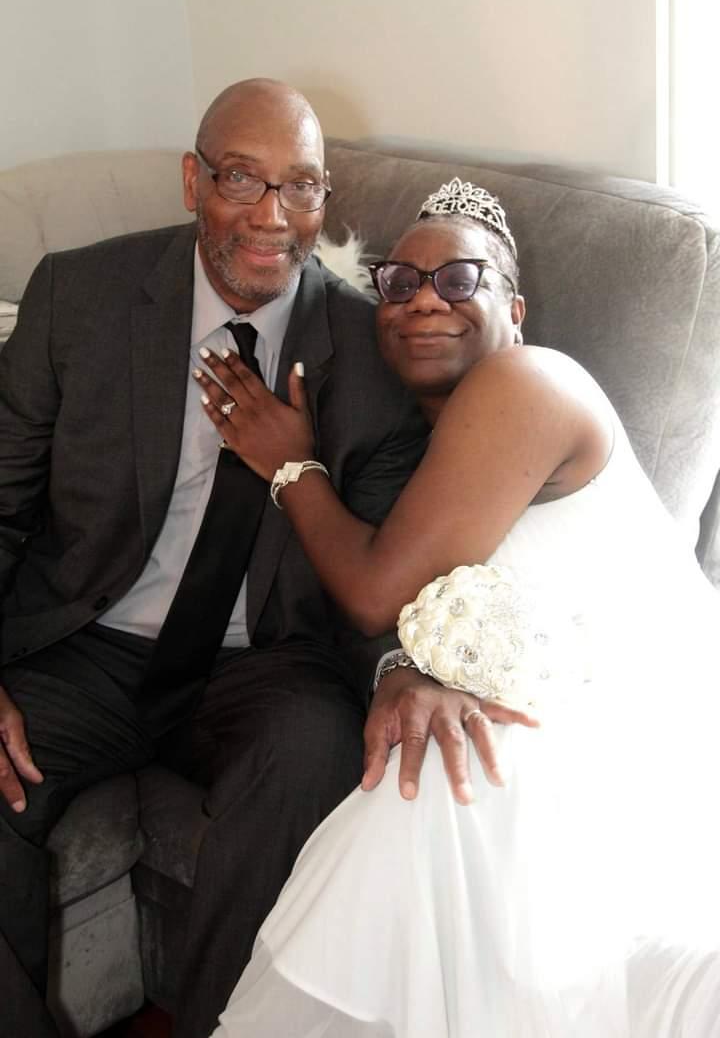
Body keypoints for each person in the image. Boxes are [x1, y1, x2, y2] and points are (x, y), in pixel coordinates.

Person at [194, 178, 720, 1037]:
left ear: (515, 308)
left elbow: (372, 594)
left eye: (459, 280)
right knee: (429, 768)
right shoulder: (417, 444)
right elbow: (413, 605)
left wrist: (292, 467)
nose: (422, 302)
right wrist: (410, 670)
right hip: (565, 715)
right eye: (398, 282)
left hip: (640, 728)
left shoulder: (528, 380)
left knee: (424, 791)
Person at [0, 77, 450, 1038]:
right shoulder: (75, 296)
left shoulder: (369, 356)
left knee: (315, 748)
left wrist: (402, 669)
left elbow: (380, 568)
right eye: (243, 179)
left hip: (264, 662)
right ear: (191, 180)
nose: (273, 217)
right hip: (90, 642)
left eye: (304, 187)